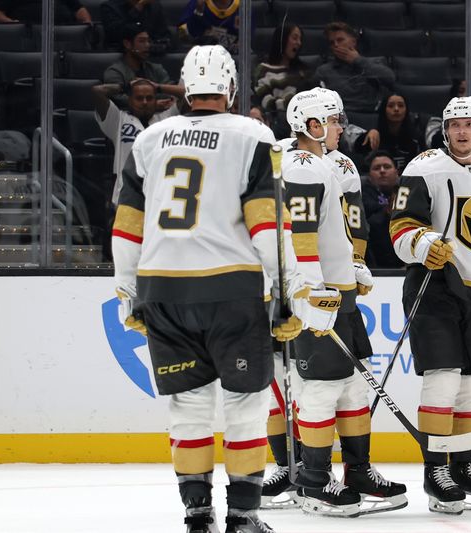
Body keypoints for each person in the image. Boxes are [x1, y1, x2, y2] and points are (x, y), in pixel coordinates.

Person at [111, 44, 340, 533]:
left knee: (188, 407)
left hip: (162, 290)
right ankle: (242, 514)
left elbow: (127, 225)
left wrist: (128, 291)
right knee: (245, 404)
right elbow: (266, 226)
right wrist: (286, 294)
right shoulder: (251, 134)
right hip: (230, 291)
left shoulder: (150, 139)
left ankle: (197, 515)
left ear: (185, 85)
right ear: (232, 88)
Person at [280, 88, 406, 517]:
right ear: (313, 126)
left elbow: (341, 225)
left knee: (353, 384)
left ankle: (357, 471)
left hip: (339, 292)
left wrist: (352, 264)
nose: (340, 127)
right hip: (317, 296)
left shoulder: (329, 164)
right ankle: (312, 483)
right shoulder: (298, 165)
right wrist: (313, 290)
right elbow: (300, 237)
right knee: (318, 390)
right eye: (333, 121)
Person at [390, 96, 471, 515]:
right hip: (433, 285)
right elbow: (401, 225)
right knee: (443, 378)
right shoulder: (423, 167)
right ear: (444, 130)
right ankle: (436, 470)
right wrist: (422, 243)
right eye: (455, 124)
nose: (462, 132)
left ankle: (463, 466)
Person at [93, 78, 182, 206]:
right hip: (125, 198)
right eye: (139, 98)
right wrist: (125, 86)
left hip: (159, 197)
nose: (145, 102)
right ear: (130, 100)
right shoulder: (118, 120)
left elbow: (187, 94)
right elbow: (97, 91)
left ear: (156, 100)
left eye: (149, 98)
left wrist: (158, 87)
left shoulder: (168, 118)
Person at [315, 22, 396, 113]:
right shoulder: (323, 71)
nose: (336, 45)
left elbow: (390, 79)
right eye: (332, 42)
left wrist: (357, 60)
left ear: (353, 42)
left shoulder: (374, 63)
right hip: (340, 118)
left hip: (370, 115)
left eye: (340, 40)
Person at [252, 23, 314, 132]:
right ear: (281, 39)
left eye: (300, 39)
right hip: (278, 122)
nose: (298, 43)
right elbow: (268, 104)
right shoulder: (263, 70)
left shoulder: (304, 71)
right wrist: (295, 101)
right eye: (294, 38)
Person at [103, 23, 175, 110]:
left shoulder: (157, 69)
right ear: (127, 44)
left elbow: (169, 93)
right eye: (142, 41)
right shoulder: (115, 72)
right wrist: (152, 104)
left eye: (148, 41)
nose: (147, 45)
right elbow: (118, 99)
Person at [351, 92, 422, 172]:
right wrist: (366, 135)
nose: (396, 109)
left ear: (407, 110)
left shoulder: (415, 138)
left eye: (401, 105)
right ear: (384, 110)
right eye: (391, 106)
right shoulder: (374, 136)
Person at [361, 150, 403, 268]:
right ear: (369, 175)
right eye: (377, 168)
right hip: (375, 252)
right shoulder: (362, 193)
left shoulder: (407, 191)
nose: (382, 171)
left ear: (396, 172)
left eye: (387, 167)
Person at [101, 0, 173, 52]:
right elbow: (116, 34)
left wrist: (161, 45)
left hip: (152, 54)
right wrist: (137, 9)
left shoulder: (155, 6)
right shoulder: (109, 7)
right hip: (122, 55)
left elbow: (164, 35)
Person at [0, 0, 92, 24]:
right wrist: (11, 24)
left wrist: (86, 22)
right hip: (26, 36)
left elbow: (79, 9)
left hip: (60, 35)